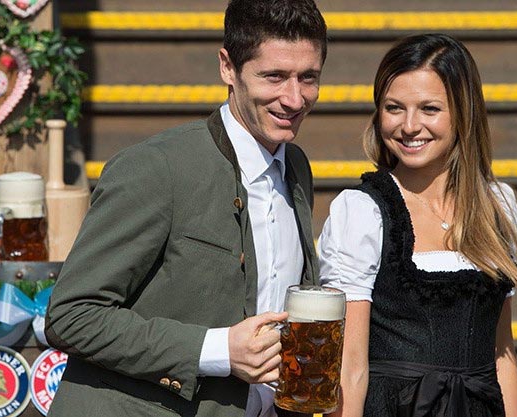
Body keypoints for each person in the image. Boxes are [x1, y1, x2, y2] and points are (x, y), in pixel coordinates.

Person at [44, 1, 326, 416]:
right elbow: (71, 316)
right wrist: (218, 350)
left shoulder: (296, 166)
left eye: (309, 78)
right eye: (274, 77)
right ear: (227, 68)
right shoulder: (155, 167)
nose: (294, 98)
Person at [317, 33, 517, 417]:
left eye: (429, 109)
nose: (409, 126)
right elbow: (349, 370)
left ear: (463, 114)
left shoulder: (497, 205)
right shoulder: (362, 212)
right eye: (394, 108)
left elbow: (503, 356)